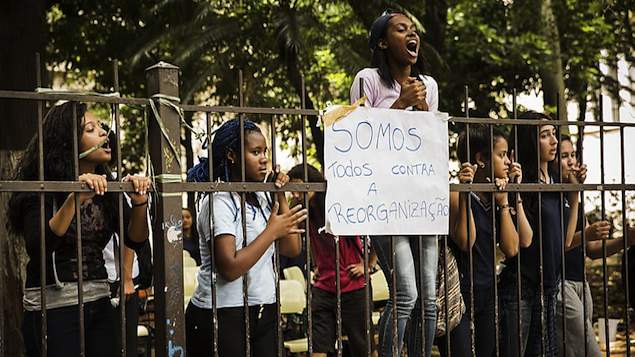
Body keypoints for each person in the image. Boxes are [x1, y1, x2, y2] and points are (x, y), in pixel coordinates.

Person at [8, 102, 151, 357]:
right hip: (52, 307)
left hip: (99, 300)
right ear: (68, 142)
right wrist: (76, 196)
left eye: (102, 128)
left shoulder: (110, 189)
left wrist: (140, 202)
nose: (104, 134)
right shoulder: (40, 189)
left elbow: (135, 239)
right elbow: (40, 246)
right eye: (90, 129)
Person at [349, 10, 440, 357]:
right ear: (384, 42)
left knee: (429, 299)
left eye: (413, 30)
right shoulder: (368, 80)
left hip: (421, 200)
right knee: (407, 294)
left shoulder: (428, 86)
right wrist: (401, 104)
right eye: (401, 30)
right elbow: (360, 139)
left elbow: (429, 143)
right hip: (386, 202)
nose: (411, 34)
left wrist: (421, 107)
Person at [184, 118, 307, 357]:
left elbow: (292, 249)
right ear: (232, 155)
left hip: (263, 306)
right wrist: (271, 231)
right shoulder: (219, 201)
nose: (264, 158)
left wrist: (279, 194)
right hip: (222, 312)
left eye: (265, 152)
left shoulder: (262, 197)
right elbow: (229, 267)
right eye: (255, 152)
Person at [499, 111, 583, 356]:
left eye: (553, 134)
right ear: (530, 142)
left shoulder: (555, 180)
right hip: (522, 289)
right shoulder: (522, 182)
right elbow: (525, 241)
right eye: (545, 136)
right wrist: (516, 190)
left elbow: (566, 241)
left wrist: (574, 195)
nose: (554, 141)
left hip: (549, 288)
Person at [447, 125, 532, 357]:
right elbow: (466, 241)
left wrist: (508, 198)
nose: (508, 163)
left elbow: (514, 246)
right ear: (481, 159)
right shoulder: (456, 194)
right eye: (502, 155)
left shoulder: (495, 195)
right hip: (459, 292)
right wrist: (465, 192)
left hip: (488, 290)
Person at [287, 164, 377, 357]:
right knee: (319, 345)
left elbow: (375, 230)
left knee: (364, 346)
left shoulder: (337, 203)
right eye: (292, 189)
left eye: (299, 187)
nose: (295, 193)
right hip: (323, 287)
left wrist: (367, 264)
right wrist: (317, 266)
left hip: (354, 286)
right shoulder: (302, 210)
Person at [554, 135, 630, 357]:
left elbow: (593, 249)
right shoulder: (549, 197)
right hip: (561, 284)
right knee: (591, 351)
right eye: (564, 156)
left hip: (581, 283)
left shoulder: (573, 194)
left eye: (573, 155)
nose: (571, 162)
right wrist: (585, 233)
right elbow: (552, 246)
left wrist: (626, 240)